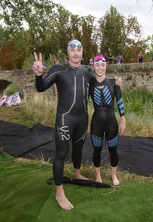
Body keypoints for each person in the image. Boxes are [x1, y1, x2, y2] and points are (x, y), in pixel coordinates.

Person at [32, 40, 121, 210]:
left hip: (82, 119)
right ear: (68, 53)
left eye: (78, 49)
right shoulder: (59, 69)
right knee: (62, 154)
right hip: (65, 118)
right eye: (72, 49)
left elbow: (102, 79)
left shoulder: (88, 70)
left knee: (78, 148)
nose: (75, 52)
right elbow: (41, 88)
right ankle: (59, 192)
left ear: (82, 53)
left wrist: (116, 82)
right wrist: (38, 74)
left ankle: (77, 174)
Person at [89, 55, 126, 186]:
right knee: (96, 150)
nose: (100, 67)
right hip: (96, 122)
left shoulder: (113, 82)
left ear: (106, 66)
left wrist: (123, 120)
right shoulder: (90, 83)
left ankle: (113, 175)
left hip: (111, 122)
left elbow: (120, 101)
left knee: (113, 149)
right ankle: (98, 175)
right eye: (97, 64)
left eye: (103, 65)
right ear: (93, 66)